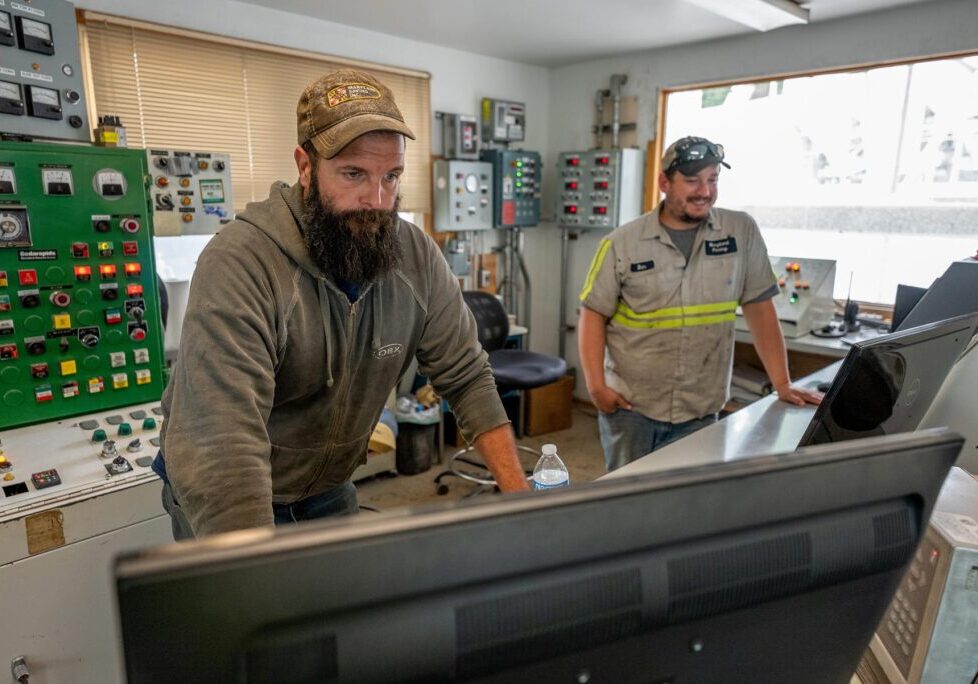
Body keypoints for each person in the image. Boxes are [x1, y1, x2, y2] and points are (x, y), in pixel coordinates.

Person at [154, 69, 529, 538]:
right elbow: (223, 446)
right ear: (305, 166)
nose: (375, 199)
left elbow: (468, 376)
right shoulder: (241, 261)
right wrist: (249, 575)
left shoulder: (414, 256)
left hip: (327, 488)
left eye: (391, 177)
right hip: (234, 492)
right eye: (353, 174)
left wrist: (522, 502)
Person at [578, 136, 822, 471]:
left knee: (689, 506)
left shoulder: (740, 232)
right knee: (627, 505)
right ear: (665, 182)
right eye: (692, 181)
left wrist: (782, 383)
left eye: (712, 180)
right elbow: (592, 314)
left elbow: (760, 309)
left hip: (700, 408)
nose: (704, 191)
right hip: (631, 408)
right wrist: (595, 387)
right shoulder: (622, 243)